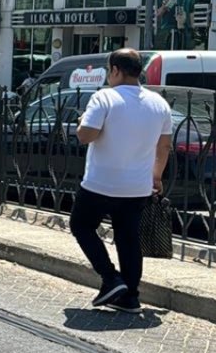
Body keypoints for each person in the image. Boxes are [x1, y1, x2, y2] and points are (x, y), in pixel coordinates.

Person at [70, 48, 173, 314]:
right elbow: (164, 147)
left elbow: (86, 136)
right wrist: (156, 176)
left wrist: (82, 121)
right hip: (137, 186)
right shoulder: (159, 104)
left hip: (101, 182)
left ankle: (110, 278)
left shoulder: (104, 97)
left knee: (81, 225)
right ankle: (130, 296)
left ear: (115, 70)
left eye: (109, 71)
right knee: (128, 239)